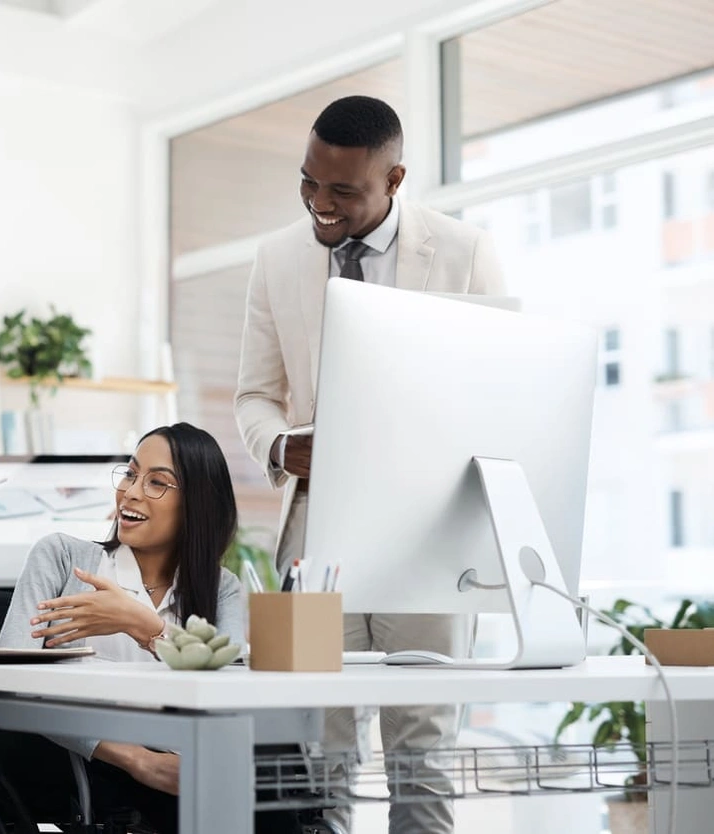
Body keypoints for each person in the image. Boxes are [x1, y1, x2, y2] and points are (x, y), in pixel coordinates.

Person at [234, 95, 506, 834]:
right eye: (308, 183)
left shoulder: (462, 252)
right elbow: (256, 396)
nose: (320, 205)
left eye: (343, 191)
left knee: (423, 745)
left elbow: (497, 387)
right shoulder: (279, 256)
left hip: (431, 533)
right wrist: (282, 446)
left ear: (395, 179)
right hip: (320, 535)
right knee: (319, 747)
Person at [0, 423, 302, 834]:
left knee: (264, 788)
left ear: (196, 504)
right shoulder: (62, 558)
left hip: (188, 757)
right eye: (131, 473)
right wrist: (138, 760)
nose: (131, 492)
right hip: (89, 760)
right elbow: (11, 688)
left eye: (157, 482)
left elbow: (227, 689)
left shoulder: (221, 588)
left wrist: (148, 628)